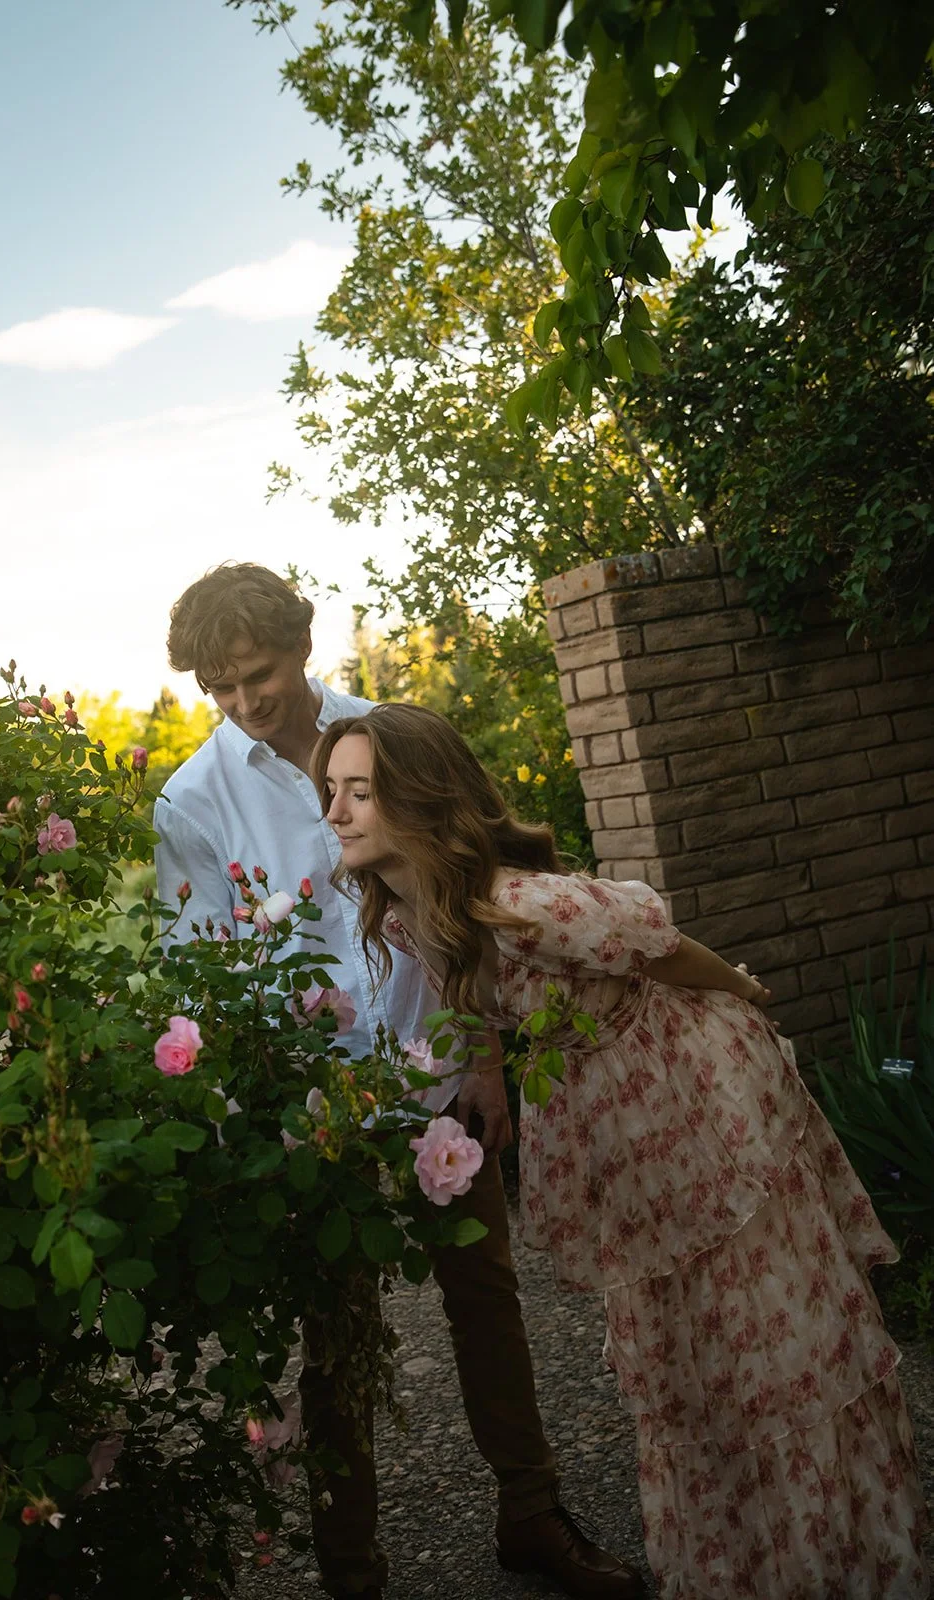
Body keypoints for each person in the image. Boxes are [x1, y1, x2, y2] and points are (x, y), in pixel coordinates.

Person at [313, 701, 931, 1600]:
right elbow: (469, 1007)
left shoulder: (519, 904)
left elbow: (667, 951)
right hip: (609, 1110)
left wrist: (748, 992)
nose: (333, 812)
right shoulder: (412, 910)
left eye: (358, 793)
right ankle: (740, 1560)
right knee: (684, 1350)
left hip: (691, 1094)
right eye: (330, 790)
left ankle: (829, 1559)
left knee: (760, 1333)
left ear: (419, 801)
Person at [154, 563, 643, 1600]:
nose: (246, 701)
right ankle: (351, 1571)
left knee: (486, 1305)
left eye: (259, 672)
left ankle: (533, 1514)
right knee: (337, 1343)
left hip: (439, 1081)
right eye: (221, 685)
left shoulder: (393, 738)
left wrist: (481, 1057)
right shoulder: (192, 799)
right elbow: (202, 966)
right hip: (314, 1116)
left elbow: (464, 896)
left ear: (301, 643)